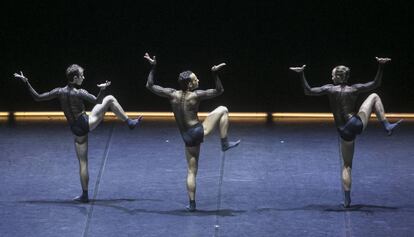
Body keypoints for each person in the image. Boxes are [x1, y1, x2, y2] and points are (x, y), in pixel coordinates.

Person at [14, 65, 142, 202]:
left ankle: (85, 195)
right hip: (86, 123)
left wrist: (26, 82)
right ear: (75, 78)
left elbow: (38, 97)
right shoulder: (79, 92)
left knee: (83, 162)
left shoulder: (59, 91)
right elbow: (98, 101)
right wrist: (102, 90)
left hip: (76, 130)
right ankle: (129, 122)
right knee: (109, 99)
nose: (84, 77)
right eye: (82, 75)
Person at [290, 57, 401, 208]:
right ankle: (386, 125)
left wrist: (301, 74)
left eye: (333, 75)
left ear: (337, 77)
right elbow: (376, 84)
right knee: (374, 96)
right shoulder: (354, 88)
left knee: (347, 165)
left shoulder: (330, 89)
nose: (331, 77)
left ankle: (347, 200)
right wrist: (381, 66)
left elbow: (308, 91)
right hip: (355, 123)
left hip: (343, 131)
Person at [144, 53, 240, 211]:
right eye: (195, 79)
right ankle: (224, 143)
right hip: (197, 131)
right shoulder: (195, 96)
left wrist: (153, 67)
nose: (198, 81)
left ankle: (192, 204)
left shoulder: (171, 94)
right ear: (189, 84)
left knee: (191, 171)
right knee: (223, 109)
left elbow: (150, 85)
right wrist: (215, 73)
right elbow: (219, 90)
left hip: (186, 137)